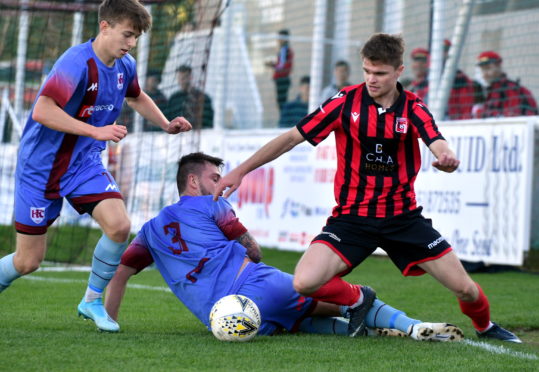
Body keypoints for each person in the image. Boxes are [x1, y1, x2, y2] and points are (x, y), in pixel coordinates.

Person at [213, 33, 521, 343]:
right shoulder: (345, 101)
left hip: (404, 219)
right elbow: (292, 137)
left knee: (465, 288)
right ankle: (360, 298)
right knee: (304, 282)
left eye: (380, 73)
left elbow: (434, 137)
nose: (371, 79)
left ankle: (486, 327)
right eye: (367, 71)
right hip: (352, 220)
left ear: (399, 71)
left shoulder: (413, 107)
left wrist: (445, 155)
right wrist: (241, 170)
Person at [105, 152, 463, 341]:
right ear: (194, 180)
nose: (220, 183)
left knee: (297, 324)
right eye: (215, 177)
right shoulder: (213, 204)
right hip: (257, 285)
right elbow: (255, 251)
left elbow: (120, 273)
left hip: (221, 320)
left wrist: (110, 321)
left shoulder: (150, 230)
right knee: (323, 298)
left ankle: (368, 330)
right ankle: (408, 323)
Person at [0, 0, 192, 333]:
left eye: (135, 38)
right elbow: (42, 111)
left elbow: (135, 96)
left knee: (119, 226)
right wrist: (95, 130)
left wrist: (164, 123)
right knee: (28, 261)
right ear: (105, 27)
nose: (130, 44)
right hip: (41, 169)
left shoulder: (125, 65)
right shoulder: (76, 63)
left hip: (83, 164)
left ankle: (90, 301)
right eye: (127, 35)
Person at [409, 41, 477, 120]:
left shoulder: (459, 79)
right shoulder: (429, 79)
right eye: (438, 51)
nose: (441, 55)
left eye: (445, 51)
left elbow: (466, 108)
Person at [474, 50, 538, 118]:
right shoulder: (491, 92)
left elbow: (513, 118)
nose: (485, 74)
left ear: (498, 66)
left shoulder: (511, 90)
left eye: (488, 68)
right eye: (482, 70)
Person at [164, 65, 214, 129]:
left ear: (191, 77)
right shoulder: (173, 98)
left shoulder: (203, 98)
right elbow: (168, 119)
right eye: (180, 78)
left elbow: (208, 121)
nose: (182, 81)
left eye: (185, 77)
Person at [266, 29, 294, 111]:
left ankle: (283, 121)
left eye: (280, 37)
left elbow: (281, 67)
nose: (278, 40)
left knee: (281, 103)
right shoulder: (286, 49)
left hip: (282, 79)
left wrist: (272, 65)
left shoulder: (284, 49)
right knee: (282, 102)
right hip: (283, 79)